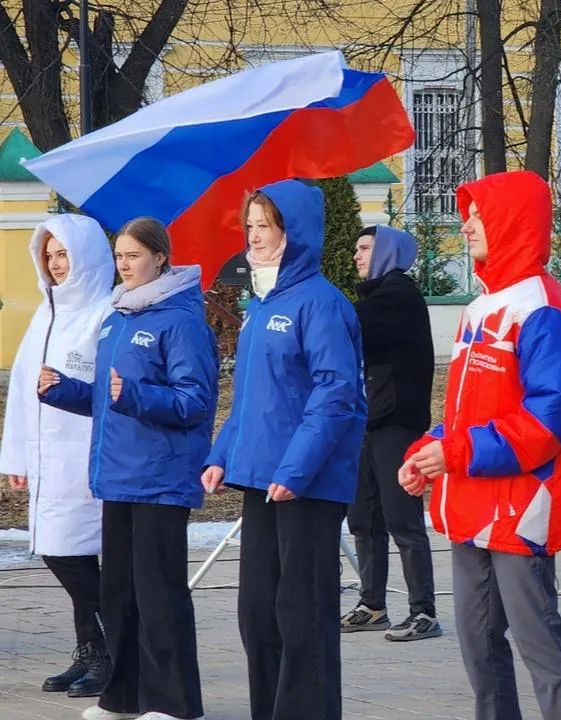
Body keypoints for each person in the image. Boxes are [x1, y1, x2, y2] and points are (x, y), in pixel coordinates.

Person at [398, 170, 561, 720]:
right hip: (473, 501)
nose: (466, 226)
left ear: (510, 221)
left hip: (521, 505)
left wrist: (457, 451)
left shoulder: (542, 309)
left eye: (479, 215)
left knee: (541, 647)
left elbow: (545, 423)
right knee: (477, 645)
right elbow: (469, 414)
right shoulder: (483, 306)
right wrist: (429, 449)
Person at [202, 181, 366, 720]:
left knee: (303, 616)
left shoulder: (321, 304)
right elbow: (250, 397)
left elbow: (336, 395)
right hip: (260, 479)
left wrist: (296, 469)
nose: (253, 237)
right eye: (249, 225)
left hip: (305, 485)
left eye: (264, 226)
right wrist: (222, 453)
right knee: (258, 615)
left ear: (293, 234)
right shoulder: (261, 303)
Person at [41, 217, 215, 720]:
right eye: (119, 255)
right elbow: (106, 397)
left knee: (159, 595)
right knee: (119, 594)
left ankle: (174, 703)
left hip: (160, 479)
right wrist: (64, 390)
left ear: (161, 258)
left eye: (134, 255)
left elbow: (195, 401)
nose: (124, 264)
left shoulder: (180, 320)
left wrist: (136, 395)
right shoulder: (118, 316)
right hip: (117, 475)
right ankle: (124, 697)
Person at [0, 215, 114, 699]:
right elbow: (25, 389)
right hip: (48, 457)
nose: (55, 264)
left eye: (64, 253)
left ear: (86, 255)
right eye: (48, 255)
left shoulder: (105, 312)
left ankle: (108, 652)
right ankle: (91, 648)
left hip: (84, 453)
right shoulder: (45, 314)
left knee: (74, 552)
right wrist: (17, 458)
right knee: (59, 549)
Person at [341, 225, 440, 642]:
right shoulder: (378, 295)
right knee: (363, 517)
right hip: (367, 421)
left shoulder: (398, 295)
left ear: (387, 253)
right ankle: (372, 603)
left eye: (365, 247)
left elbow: (354, 324)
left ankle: (424, 611)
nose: (356, 256)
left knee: (402, 520)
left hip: (395, 422)